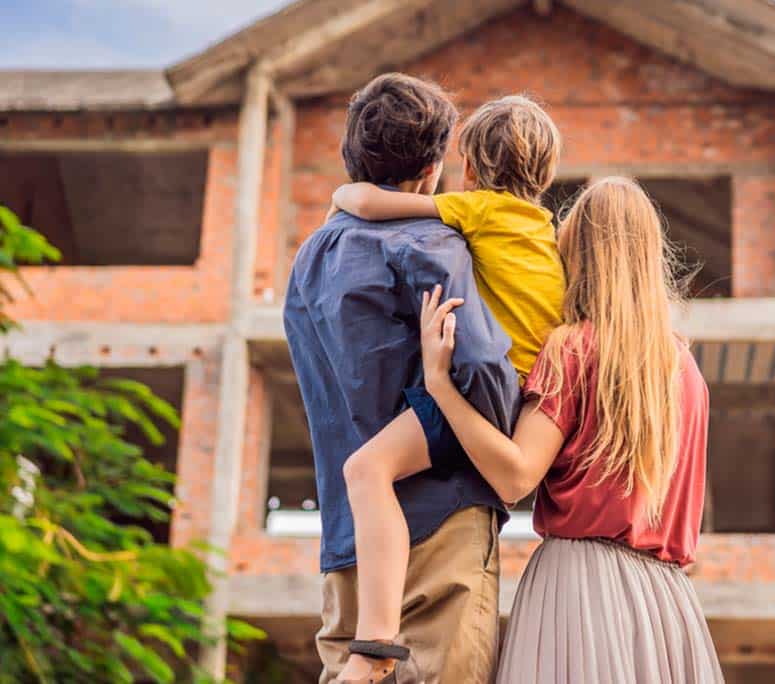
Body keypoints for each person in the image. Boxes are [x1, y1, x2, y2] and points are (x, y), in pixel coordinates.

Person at [418, 176, 724, 683]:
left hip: (581, 591)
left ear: (576, 255)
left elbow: (516, 476)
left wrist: (440, 385)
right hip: (669, 604)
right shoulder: (685, 369)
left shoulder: (573, 348)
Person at [283, 73, 521, 684]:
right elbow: (481, 367)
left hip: (350, 543)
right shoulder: (431, 243)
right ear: (434, 163)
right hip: (442, 527)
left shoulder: (309, 260)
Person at [330, 95, 565, 683]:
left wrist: (341, 196)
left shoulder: (479, 210)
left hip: (486, 394)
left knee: (365, 471)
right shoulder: (546, 232)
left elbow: (366, 201)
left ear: (469, 165)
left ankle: (374, 643)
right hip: (527, 407)